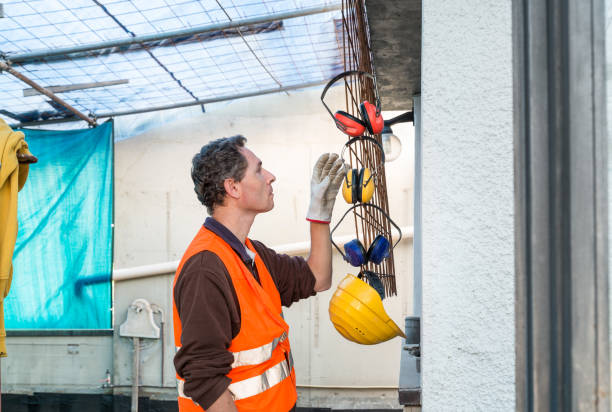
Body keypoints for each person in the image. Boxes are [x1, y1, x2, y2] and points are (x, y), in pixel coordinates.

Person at [172, 135, 346, 412]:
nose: (271, 176)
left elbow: (318, 278)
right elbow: (205, 379)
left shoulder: (251, 254)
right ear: (233, 188)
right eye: (258, 169)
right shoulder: (206, 268)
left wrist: (319, 214)